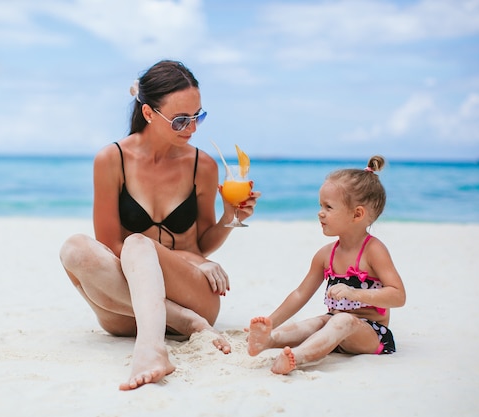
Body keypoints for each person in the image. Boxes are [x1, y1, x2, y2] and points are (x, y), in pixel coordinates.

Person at [59, 60, 260, 390]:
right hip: (126, 309)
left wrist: (228, 218)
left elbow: (201, 243)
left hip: (191, 295)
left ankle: (152, 350)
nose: (192, 128)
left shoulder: (202, 165)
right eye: (181, 119)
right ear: (150, 113)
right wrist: (192, 260)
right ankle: (184, 322)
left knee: (138, 243)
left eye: (198, 116)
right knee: (75, 249)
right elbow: (109, 246)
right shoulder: (112, 160)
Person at [247, 155, 405, 375]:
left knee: (342, 320)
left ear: (357, 214)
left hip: (369, 333)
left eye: (329, 207)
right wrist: (271, 321)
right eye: (320, 205)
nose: (320, 213)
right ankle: (268, 341)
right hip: (333, 328)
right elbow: (300, 294)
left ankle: (297, 357)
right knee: (315, 322)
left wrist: (355, 293)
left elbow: (398, 296)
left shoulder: (374, 251)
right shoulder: (325, 254)